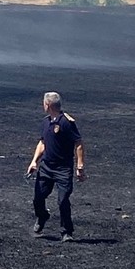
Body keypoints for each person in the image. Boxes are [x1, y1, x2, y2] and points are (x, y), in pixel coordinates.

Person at [25, 91, 86, 241]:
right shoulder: (46, 122)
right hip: (46, 167)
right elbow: (43, 143)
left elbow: (78, 143)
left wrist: (80, 166)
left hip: (63, 169)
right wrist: (34, 161)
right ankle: (42, 216)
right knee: (38, 198)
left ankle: (66, 232)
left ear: (48, 105)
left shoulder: (66, 122)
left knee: (63, 200)